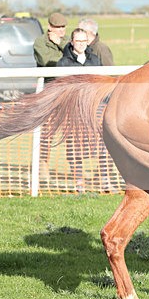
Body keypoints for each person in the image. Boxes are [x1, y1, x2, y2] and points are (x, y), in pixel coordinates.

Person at [58, 28, 102, 193]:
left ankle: (104, 179)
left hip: (93, 109)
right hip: (74, 112)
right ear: (72, 42)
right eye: (78, 41)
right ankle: (78, 181)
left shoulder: (95, 60)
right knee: (74, 147)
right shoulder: (63, 63)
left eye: (84, 41)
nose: (81, 44)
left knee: (102, 144)